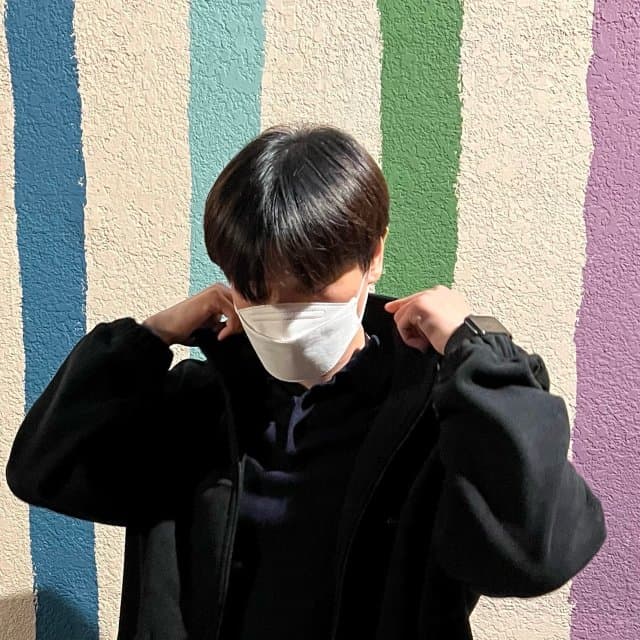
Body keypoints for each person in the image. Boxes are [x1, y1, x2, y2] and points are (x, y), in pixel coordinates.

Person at [6, 123, 606, 640]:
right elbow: (43, 469)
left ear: (373, 256)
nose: (287, 315)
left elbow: (536, 555)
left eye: (313, 287)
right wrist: (149, 337)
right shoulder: (199, 407)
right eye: (257, 291)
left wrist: (476, 349)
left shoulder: (434, 412)